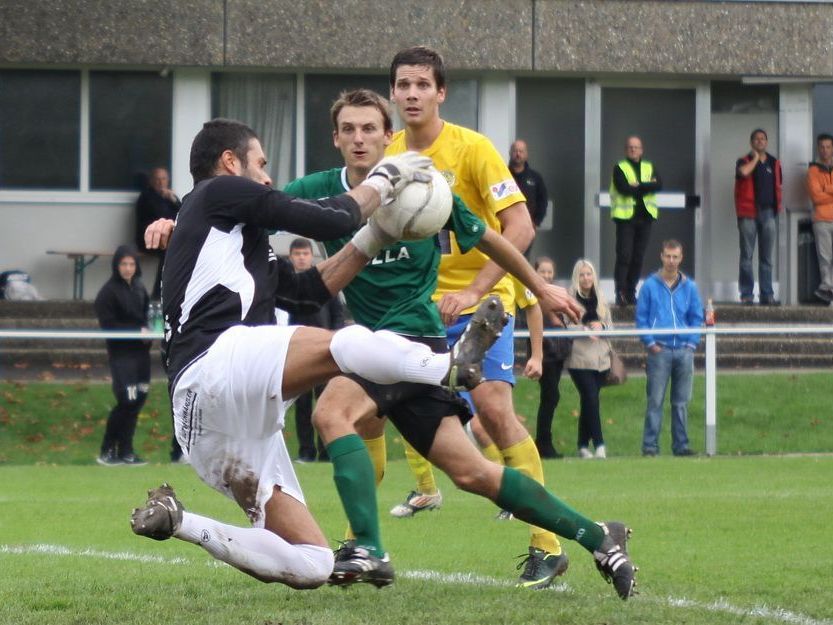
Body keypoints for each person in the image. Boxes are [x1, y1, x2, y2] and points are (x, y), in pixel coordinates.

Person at [284, 87, 636, 599]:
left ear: (389, 135)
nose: (359, 139)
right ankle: (598, 535)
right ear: (335, 138)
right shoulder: (320, 188)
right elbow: (256, 206)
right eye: (348, 130)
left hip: (407, 333)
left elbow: (493, 237)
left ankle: (367, 547)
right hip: (385, 345)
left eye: (369, 129)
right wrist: (182, 219)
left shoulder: (422, 186)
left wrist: (539, 287)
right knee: (472, 472)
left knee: (330, 414)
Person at [130, 118, 497, 590]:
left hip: (204, 422)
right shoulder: (217, 193)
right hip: (215, 361)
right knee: (346, 344)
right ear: (229, 162)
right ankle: (447, 368)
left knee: (313, 564)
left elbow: (308, 291)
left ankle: (179, 521)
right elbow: (330, 218)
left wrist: (373, 239)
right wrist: (385, 179)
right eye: (261, 164)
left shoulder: (234, 235)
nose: (266, 177)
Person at [378, 46, 609, 590]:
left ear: (441, 92)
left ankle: (546, 545)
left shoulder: (474, 149)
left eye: (422, 84)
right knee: (368, 408)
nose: (412, 93)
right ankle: (358, 541)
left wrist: (478, 289)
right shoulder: (386, 152)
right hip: (415, 306)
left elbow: (521, 228)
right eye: (403, 84)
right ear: (392, 92)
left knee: (495, 411)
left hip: (484, 301)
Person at [636, 240, 703, 457]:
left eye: (675, 257)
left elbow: (696, 317)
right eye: (668, 256)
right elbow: (641, 318)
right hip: (660, 350)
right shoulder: (649, 285)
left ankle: (681, 445)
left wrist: (691, 344)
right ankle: (650, 446)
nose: (671, 261)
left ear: (681, 258)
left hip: (683, 349)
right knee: (655, 400)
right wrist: (650, 343)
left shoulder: (690, 287)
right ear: (661, 256)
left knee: (681, 402)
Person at [287, 237, 345, 462]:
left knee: (326, 403)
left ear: (312, 256)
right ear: (291, 257)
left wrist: (336, 340)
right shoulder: (287, 285)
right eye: (297, 254)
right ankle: (306, 452)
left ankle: (325, 452)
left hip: (324, 351)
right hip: (297, 354)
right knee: (302, 405)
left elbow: (337, 314)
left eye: (305, 254)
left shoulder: (323, 283)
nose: (301, 258)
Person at [94, 244, 151, 466]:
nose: (128, 268)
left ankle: (126, 451)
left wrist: (148, 333)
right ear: (116, 266)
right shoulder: (107, 293)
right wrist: (136, 332)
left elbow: (145, 318)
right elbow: (109, 326)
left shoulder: (139, 288)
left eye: (131, 264)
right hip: (121, 355)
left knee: (138, 400)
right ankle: (107, 449)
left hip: (141, 356)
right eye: (123, 264)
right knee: (126, 399)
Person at [566, 259, 613, 459]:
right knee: (591, 397)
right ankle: (600, 444)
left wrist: (601, 327)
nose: (586, 278)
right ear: (577, 277)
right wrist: (584, 329)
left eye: (589, 274)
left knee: (589, 401)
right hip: (579, 358)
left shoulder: (601, 298)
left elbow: (610, 325)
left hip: (601, 358)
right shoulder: (570, 298)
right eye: (582, 274)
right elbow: (566, 325)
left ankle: (583, 445)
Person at [609, 136, 662, 306]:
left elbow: (658, 185)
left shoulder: (649, 166)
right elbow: (623, 189)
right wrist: (646, 185)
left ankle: (631, 292)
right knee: (624, 256)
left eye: (636, 147)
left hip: (645, 217)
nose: (633, 149)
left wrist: (636, 185)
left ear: (641, 150)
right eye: (630, 147)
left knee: (638, 257)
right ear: (626, 150)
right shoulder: (620, 168)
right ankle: (620, 293)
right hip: (626, 218)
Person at [734, 129, 782, 305]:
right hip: (748, 213)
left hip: (768, 212)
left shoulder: (774, 163)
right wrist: (755, 158)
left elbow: (778, 186)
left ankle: (766, 294)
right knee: (746, 256)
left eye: (763, 139)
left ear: (767, 142)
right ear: (751, 142)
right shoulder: (744, 161)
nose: (760, 141)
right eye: (756, 139)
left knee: (767, 257)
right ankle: (746, 294)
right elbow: (744, 173)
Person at [531, 257, 570, 459]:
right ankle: (542, 443)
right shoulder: (534, 296)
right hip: (544, 353)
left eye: (549, 272)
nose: (546, 275)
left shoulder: (554, 294)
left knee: (551, 397)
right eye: (542, 271)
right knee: (550, 396)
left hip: (557, 353)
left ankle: (544, 442)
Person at [135, 167, 181, 300]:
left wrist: (173, 199)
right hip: (148, 240)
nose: (161, 183)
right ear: (151, 181)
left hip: (165, 240)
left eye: (164, 179)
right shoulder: (146, 197)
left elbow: (183, 214)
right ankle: (157, 294)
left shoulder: (168, 197)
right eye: (157, 179)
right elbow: (162, 216)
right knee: (168, 252)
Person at [806, 133, 833, 303]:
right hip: (822, 220)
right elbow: (815, 197)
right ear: (818, 148)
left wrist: (826, 189)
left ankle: (827, 289)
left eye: (828, 146)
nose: (825, 150)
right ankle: (828, 288)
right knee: (825, 258)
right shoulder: (812, 170)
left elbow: (821, 193)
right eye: (822, 147)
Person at [509, 139, 549, 230]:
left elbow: (543, 201)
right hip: (505, 227)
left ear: (526, 155)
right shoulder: (503, 176)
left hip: (527, 228)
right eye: (515, 151)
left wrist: (536, 221)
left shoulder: (535, 178)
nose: (518, 154)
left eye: (521, 151)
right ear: (510, 153)